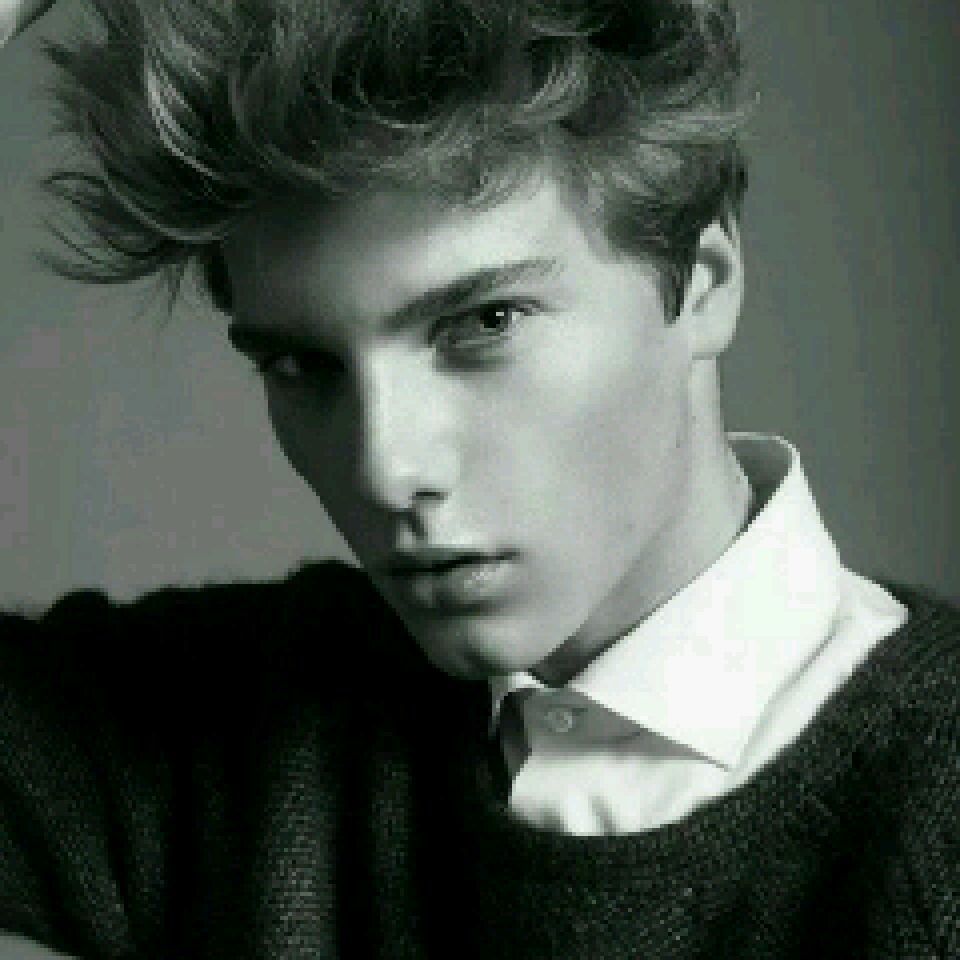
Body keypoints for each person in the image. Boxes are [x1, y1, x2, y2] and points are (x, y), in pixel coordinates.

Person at [1, 1, 957, 958]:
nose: (385, 470)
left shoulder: (933, 811)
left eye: (485, 323)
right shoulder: (226, 734)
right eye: (303, 365)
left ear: (704, 281)